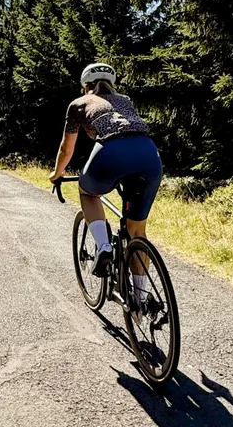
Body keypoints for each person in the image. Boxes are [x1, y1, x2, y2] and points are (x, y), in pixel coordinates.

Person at [49, 62, 163, 285]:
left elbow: (66, 148)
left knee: (88, 193)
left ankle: (103, 246)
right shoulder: (126, 100)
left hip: (111, 151)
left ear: (86, 86)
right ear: (112, 84)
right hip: (149, 154)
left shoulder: (79, 103)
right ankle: (140, 300)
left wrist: (56, 173)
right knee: (137, 232)